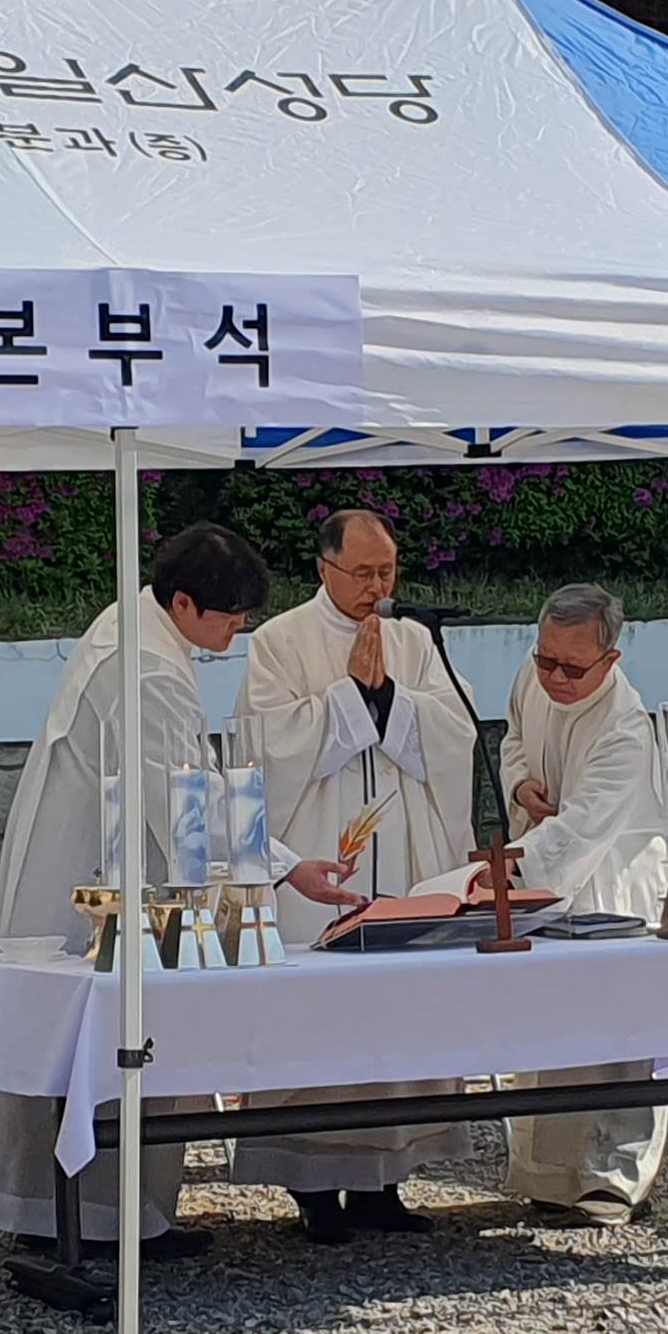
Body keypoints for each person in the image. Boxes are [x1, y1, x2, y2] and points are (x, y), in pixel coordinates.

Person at [0, 525, 350, 1257]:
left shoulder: (133, 622)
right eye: (231, 616)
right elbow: (184, 803)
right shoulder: (146, 670)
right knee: (120, 1041)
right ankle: (98, 1220)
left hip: (85, 851)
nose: (238, 631)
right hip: (104, 875)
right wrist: (284, 865)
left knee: (101, 1044)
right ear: (184, 603)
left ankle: (87, 1213)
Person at [234, 509, 481, 1240]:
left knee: (398, 1018)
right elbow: (264, 744)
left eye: (387, 571)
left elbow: (458, 732)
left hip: (400, 854)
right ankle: (312, 1186)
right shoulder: (280, 640)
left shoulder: (415, 639)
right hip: (320, 858)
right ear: (325, 569)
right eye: (363, 573)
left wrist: (390, 700)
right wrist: (350, 699)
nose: (377, 586)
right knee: (317, 1021)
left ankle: (384, 1182)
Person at [484, 585, 668, 1223]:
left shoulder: (625, 727)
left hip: (612, 883)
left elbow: (582, 829)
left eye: (573, 668)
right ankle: (547, 1172)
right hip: (549, 872)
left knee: (614, 1031)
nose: (555, 678)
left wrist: (507, 873)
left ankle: (611, 1178)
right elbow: (513, 737)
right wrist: (520, 784)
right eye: (546, 661)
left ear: (611, 659)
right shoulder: (532, 675)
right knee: (551, 1027)